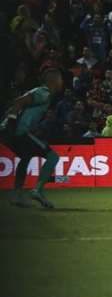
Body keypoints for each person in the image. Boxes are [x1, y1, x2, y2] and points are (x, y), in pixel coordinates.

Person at [0, 67, 64, 208]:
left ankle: (16, 195)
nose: (62, 82)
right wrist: (12, 121)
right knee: (53, 157)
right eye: (61, 79)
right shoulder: (44, 93)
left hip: (6, 132)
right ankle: (37, 190)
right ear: (54, 80)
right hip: (17, 131)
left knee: (26, 156)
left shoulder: (42, 94)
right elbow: (18, 101)